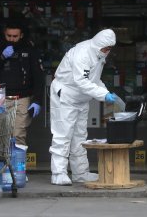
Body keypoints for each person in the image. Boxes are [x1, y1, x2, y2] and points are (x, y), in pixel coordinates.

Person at [49, 28, 117, 185]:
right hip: (66, 95)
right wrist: (102, 95)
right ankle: (58, 173)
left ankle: (80, 173)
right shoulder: (83, 54)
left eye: (109, 49)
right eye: (106, 48)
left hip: (81, 98)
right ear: (99, 45)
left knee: (79, 135)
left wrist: (105, 92)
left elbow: (94, 80)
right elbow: (82, 81)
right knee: (63, 134)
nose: (108, 52)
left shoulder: (98, 54)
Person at [0, 20, 44, 146]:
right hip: (0, 98)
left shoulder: (30, 51)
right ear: (4, 34)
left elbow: (39, 78)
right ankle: (3, 165)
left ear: (21, 35)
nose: (11, 39)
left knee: (18, 135)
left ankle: (17, 165)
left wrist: (37, 100)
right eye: (9, 36)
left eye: (15, 36)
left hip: (22, 99)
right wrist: (2, 56)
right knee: (1, 135)